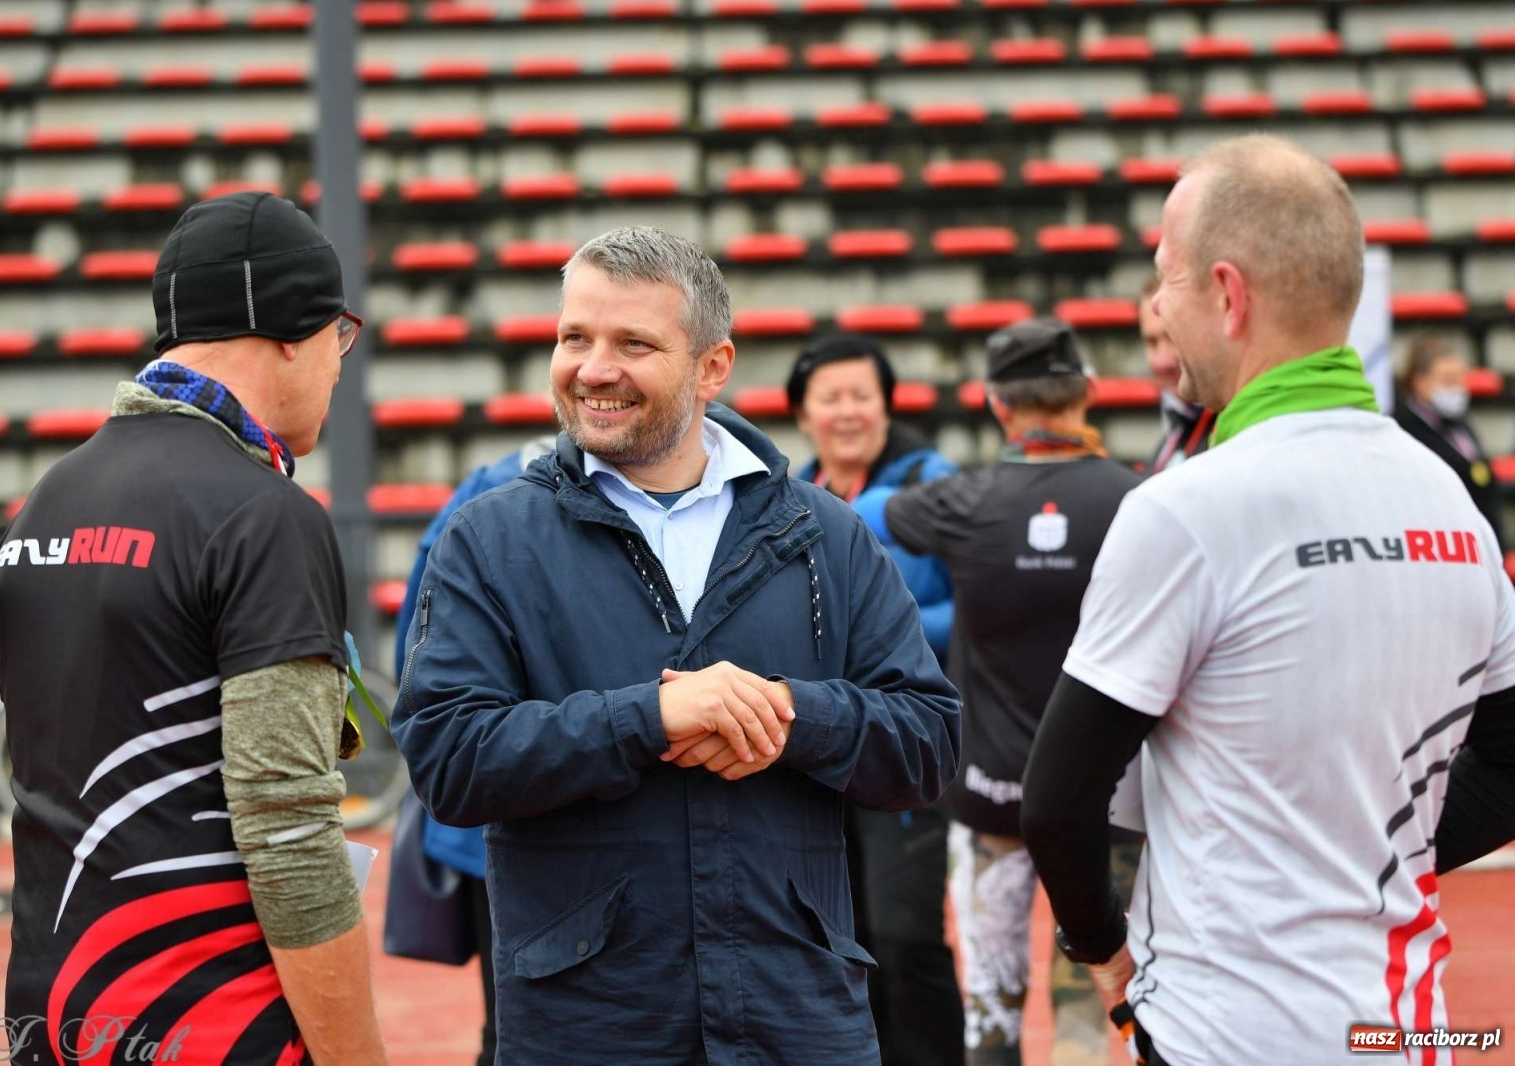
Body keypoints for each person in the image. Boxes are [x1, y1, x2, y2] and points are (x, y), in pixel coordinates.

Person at [392, 226, 961, 1065]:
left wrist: (787, 715)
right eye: (575, 337)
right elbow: (447, 758)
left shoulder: (825, 533)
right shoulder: (487, 538)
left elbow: (928, 742)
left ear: (712, 367)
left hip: (798, 1023)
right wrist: (648, 719)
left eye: (634, 344)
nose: (593, 369)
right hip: (587, 1032)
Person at [1019, 134, 1515, 1066]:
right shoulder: (1450, 499)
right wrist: (1368, 859)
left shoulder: (1185, 509)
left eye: (1166, 276)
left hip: (1226, 1033)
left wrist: (1105, 958)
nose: (1157, 304)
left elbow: (1054, 801)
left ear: (1227, 294)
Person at [0, 192, 388, 1065]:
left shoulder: (46, 501)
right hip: (209, 1020)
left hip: (51, 1014)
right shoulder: (263, 516)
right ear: (292, 330)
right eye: (339, 334)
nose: (338, 363)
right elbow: (287, 832)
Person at [853, 318, 1142, 1066]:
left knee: (990, 1010)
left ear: (996, 403)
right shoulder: (1140, 500)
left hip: (991, 795)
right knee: (1088, 1009)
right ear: (1087, 393)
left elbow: (859, 514)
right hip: (1110, 799)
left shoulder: (963, 499)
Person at [785, 333, 964, 1066]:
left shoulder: (933, 485)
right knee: (837, 935)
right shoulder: (788, 494)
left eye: (863, 395)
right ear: (803, 414)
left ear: (888, 407)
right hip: (817, 747)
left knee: (904, 932)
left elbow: (979, 608)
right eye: (830, 398)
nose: (848, 411)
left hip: (901, 743)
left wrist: (874, 637)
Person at [385, 435, 555, 1066]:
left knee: (511, 1025)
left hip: (501, 807)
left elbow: (415, 660)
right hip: (509, 812)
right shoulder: (492, 495)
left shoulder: (486, 489)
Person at [1394, 333, 1504, 551]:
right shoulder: (1403, 430)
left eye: (1459, 378)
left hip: (1478, 541)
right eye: (1447, 380)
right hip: (1438, 544)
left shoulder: (1459, 425)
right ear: (1420, 382)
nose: (1456, 388)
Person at [1140, 274, 1215, 473]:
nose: (1162, 361)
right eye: (1152, 343)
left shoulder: (1235, 432)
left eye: (1172, 337)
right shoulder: (1170, 440)